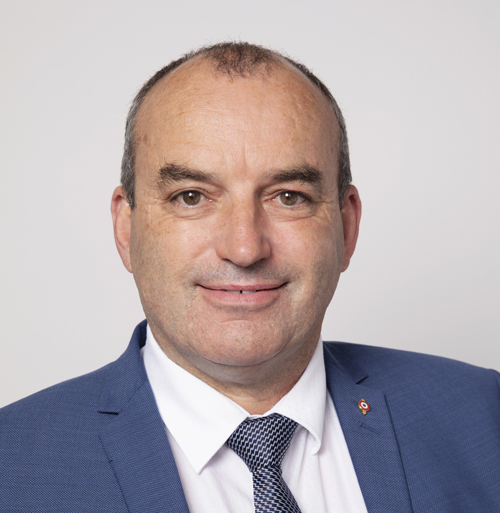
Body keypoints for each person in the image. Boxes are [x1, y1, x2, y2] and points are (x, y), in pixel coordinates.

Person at [1, 42, 499, 513]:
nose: (244, 248)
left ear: (346, 227)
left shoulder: (482, 416)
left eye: (288, 197)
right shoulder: (14, 466)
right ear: (126, 228)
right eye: (191, 197)